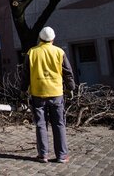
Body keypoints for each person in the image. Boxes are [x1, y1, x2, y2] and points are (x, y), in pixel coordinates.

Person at [20, 26, 75, 164]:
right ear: (53, 39)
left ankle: (43, 155)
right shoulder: (59, 52)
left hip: (38, 93)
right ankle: (62, 156)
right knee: (59, 124)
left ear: (40, 38)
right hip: (56, 93)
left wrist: (22, 90)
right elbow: (68, 73)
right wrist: (71, 88)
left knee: (41, 125)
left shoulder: (32, 52)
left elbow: (25, 74)